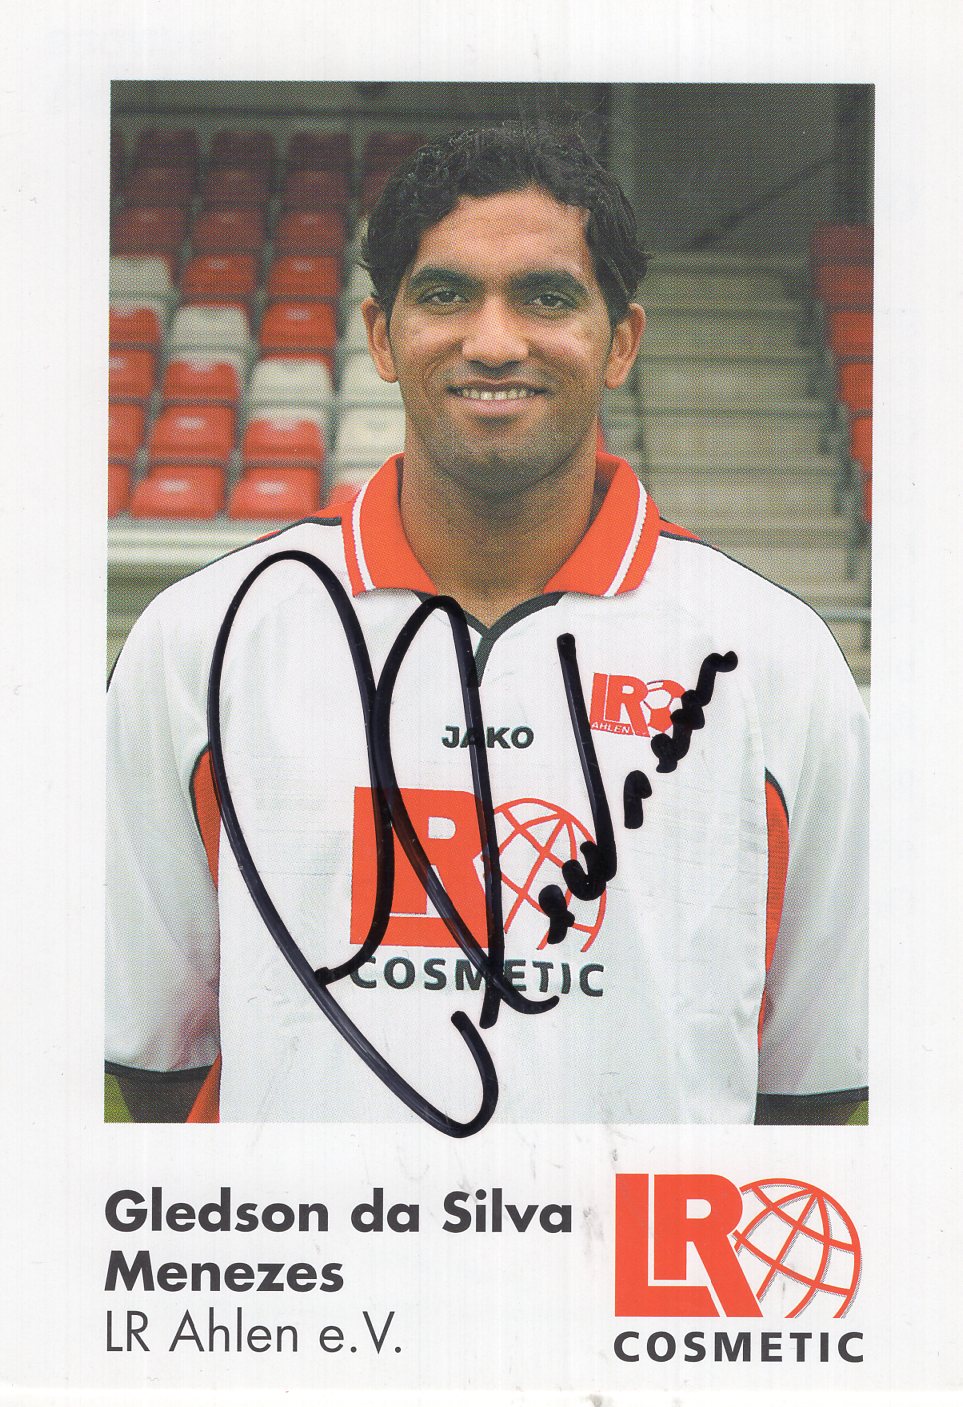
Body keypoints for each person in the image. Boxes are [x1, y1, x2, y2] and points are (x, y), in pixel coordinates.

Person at [106, 123, 867, 1130]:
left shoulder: (775, 661)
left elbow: (809, 1091)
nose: (495, 341)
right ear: (383, 336)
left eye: (547, 297)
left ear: (621, 341)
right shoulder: (203, 640)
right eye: (445, 295)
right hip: (317, 1238)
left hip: (626, 1241)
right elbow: (159, 1062)